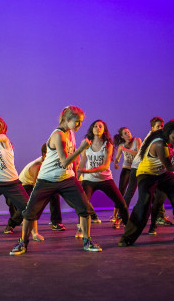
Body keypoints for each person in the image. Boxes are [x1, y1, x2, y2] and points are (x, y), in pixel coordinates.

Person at [10, 106, 102, 255]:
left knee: (85, 209)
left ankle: (87, 240)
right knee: (29, 212)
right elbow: (64, 161)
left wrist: (76, 172)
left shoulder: (69, 133)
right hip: (46, 179)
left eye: (81, 122)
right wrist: (81, 149)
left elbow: (70, 163)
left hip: (66, 178)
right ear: (66, 120)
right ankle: (22, 243)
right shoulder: (58, 135)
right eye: (76, 122)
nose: (79, 125)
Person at [118, 120, 174, 247]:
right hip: (147, 174)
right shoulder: (160, 144)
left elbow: (166, 168)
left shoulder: (168, 139)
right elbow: (169, 167)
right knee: (143, 204)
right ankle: (127, 238)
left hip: (162, 174)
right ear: (169, 133)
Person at [0, 116, 42, 242]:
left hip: (10, 182)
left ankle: (35, 233)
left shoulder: (5, 140)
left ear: (1, 127)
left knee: (27, 208)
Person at [76, 120, 130, 232]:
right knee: (83, 206)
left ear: (104, 129)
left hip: (105, 179)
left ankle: (128, 227)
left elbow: (105, 166)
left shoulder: (107, 145)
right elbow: (82, 163)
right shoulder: (85, 143)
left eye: (100, 126)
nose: (97, 128)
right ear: (92, 128)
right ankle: (81, 229)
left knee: (122, 204)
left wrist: (87, 170)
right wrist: (77, 178)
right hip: (89, 181)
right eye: (95, 126)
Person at [19, 143, 66, 232]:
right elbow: (35, 184)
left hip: (37, 183)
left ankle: (56, 223)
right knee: (29, 204)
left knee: (54, 194)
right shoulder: (38, 164)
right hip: (24, 185)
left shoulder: (53, 162)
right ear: (45, 155)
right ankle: (16, 222)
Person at [112, 127, 141, 222]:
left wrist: (125, 149)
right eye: (125, 133)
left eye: (128, 132)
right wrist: (116, 163)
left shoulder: (137, 140)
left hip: (136, 169)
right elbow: (117, 158)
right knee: (121, 191)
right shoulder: (121, 145)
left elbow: (138, 154)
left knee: (133, 191)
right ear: (122, 136)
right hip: (126, 169)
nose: (128, 134)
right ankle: (115, 215)